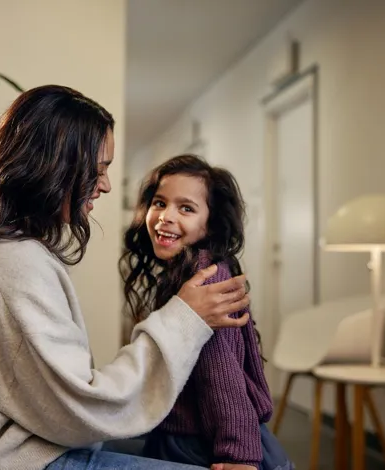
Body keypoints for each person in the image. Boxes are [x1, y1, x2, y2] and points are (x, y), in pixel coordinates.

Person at [0, 85, 251, 470]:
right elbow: (82, 404)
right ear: (56, 163)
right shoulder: (12, 261)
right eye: (100, 167)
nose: (106, 184)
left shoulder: (5, 252)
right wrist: (185, 318)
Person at [121, 155, 293, 470]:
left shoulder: (207, 280)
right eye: (160, 203)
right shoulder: (183, 272)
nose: (165, 217)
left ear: (210, 224)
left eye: (186, 208)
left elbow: (222, 374)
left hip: (201, 445)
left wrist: (238, 455)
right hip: (185, 435)